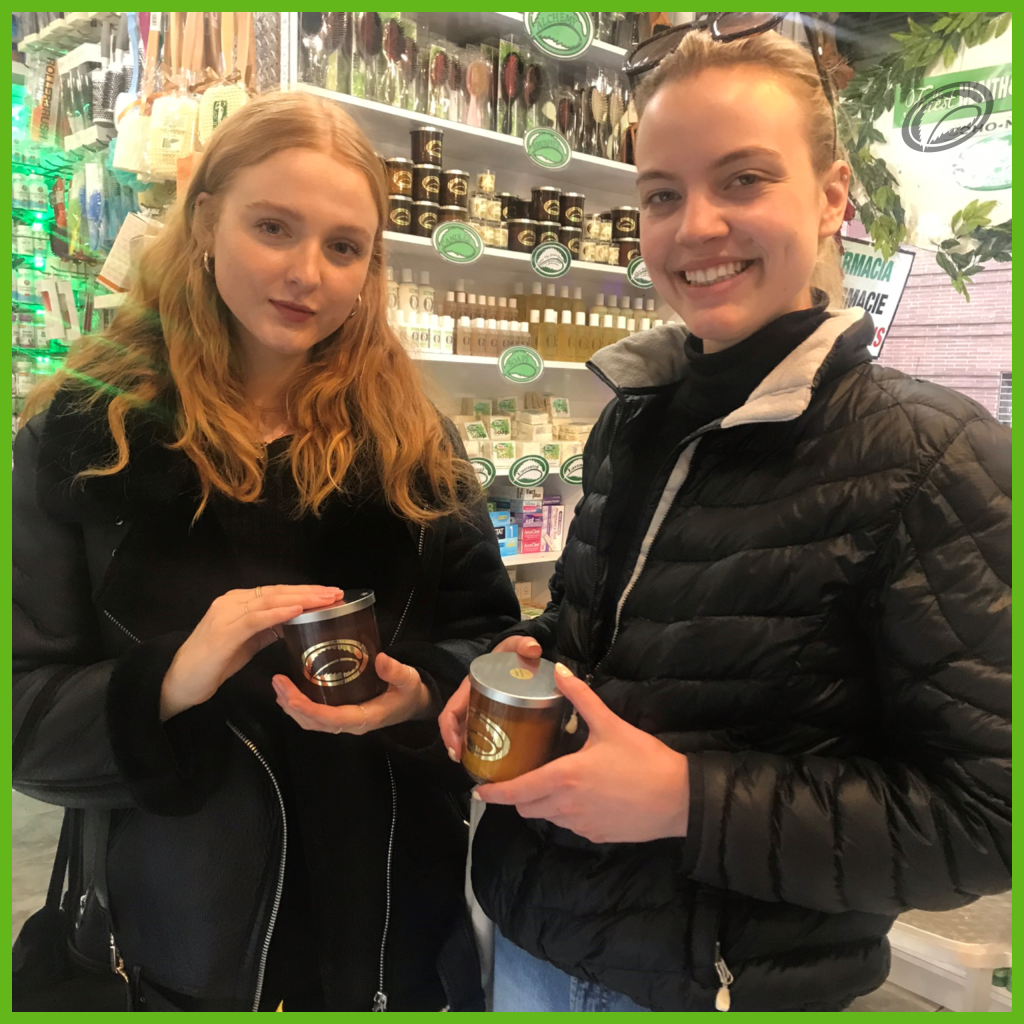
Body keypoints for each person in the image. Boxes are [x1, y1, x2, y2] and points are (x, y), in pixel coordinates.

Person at [441, 16, 1011, 1013]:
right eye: (662, 193)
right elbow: (598, 643)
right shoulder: (633, 422)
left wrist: (685, 801)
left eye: (742, 180)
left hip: (713, 988)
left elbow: (985, 818)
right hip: (530, 942)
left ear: (831, 197)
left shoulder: (932, 460)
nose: (695, 225)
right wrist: (510, 669)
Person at [13, 91, 520, 1012]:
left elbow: (490, 644)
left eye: (343, 246)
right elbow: (23, 715)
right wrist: (170, 678)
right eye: (273, 227)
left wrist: (423, 698)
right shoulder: (85, 439)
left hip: (387, 947)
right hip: (168, 955)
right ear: (206, 219)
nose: (307, 274)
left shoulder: (414, 445)